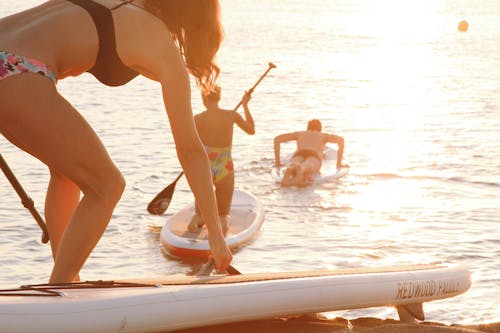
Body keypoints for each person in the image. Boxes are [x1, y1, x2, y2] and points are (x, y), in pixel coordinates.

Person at [0, 0, 232, 283]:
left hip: (10, 62)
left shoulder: (119, 5)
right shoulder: (159, 43)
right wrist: (216, 237)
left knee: (68, 174)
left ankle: (66, 280)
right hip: (16, 70)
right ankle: (60, 290)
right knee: (107, 185)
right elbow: (191, 150)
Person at [188, 85, 255, 234]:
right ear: (219, 98)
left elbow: (190, 144)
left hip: (204, 165)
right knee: (223, 215)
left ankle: (197, 220)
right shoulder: (231, 115)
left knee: (200, 212)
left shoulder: (197, 119)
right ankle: (222, 225)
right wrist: (245, 105)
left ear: (204, 100)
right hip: (224, 164)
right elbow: (251, 130)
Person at [274, 119, 346, 187]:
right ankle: (302, 169)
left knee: (295, 162)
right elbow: (341, 140)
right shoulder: (323, 135)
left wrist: (277, 162)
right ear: (320, 129)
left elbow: (277, 139)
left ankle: (290, 169)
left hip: (299, 153)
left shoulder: (299, 134)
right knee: (309, 164)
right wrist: (338, 164)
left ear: (307, 128)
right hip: (313, 155)